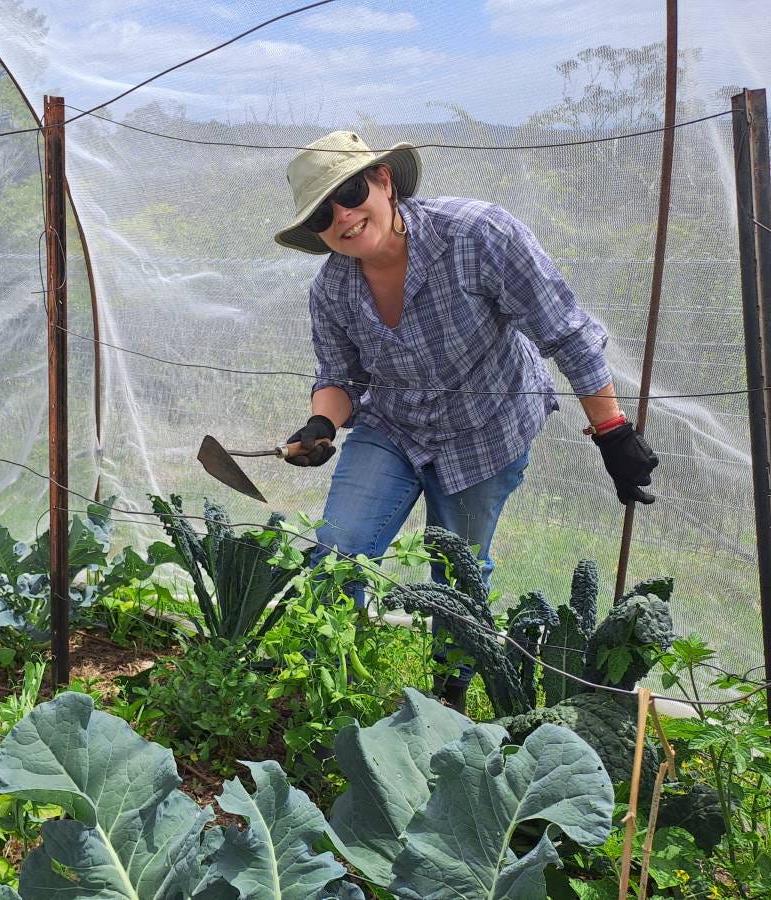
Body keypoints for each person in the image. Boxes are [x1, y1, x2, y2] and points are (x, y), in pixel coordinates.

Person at [272, 132, 659, 712]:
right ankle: (316, 687)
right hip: (394, 427)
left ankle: (444, 699)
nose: (345, 218)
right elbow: (340, 378)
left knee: (457, 572)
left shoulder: (477, 234)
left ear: (383, 180)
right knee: (340, 547)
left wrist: (613, 432)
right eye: (324, 215)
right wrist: (321, 425)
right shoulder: (331, 287)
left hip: (486, 430)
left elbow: (566, 330)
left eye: (350, 193)